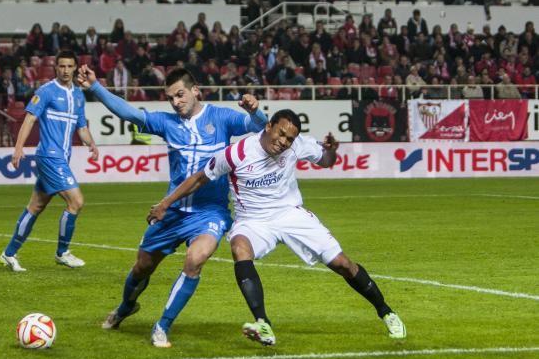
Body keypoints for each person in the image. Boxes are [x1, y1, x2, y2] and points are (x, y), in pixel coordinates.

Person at [148, 109, 407, 346]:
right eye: (281, 133)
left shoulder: (298, 146)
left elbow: (326, 160)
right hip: (252, 221)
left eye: (290, 139)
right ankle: (263, 324)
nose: (284, 142)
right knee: (240, 247)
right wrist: (165, 204)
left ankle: (386, 312)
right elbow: (198, 178)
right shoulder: (236, 153)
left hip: (290, 214)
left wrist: (331, 150)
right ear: (269, 126)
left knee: (343, 264)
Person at [76, 66, 268, 348]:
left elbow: (259, 126)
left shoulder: (221, 118)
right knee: (142, 267)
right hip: (172, 210)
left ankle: (162, 325)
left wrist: (255, 111)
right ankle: (127, 306)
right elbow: (129, 113)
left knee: (195, 259)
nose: (176, 102)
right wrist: (95, 87)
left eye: (180, 95)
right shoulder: (167, 123)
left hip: (209, 212)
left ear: (195, 91)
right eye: (170, 98)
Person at [0, 51, 99, 272]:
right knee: (76, 201)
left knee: (35, 206)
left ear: (74, 68)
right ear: (56, 68)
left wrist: (91, 144)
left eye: (69, 66)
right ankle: (62, 252)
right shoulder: (46, 91)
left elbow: (81, 127)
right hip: (49, 156)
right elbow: (30, 118)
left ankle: (9, 253)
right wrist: (18, 148)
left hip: (62, 158)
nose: (65, 70)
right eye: (61, 66)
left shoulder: (79, 96)